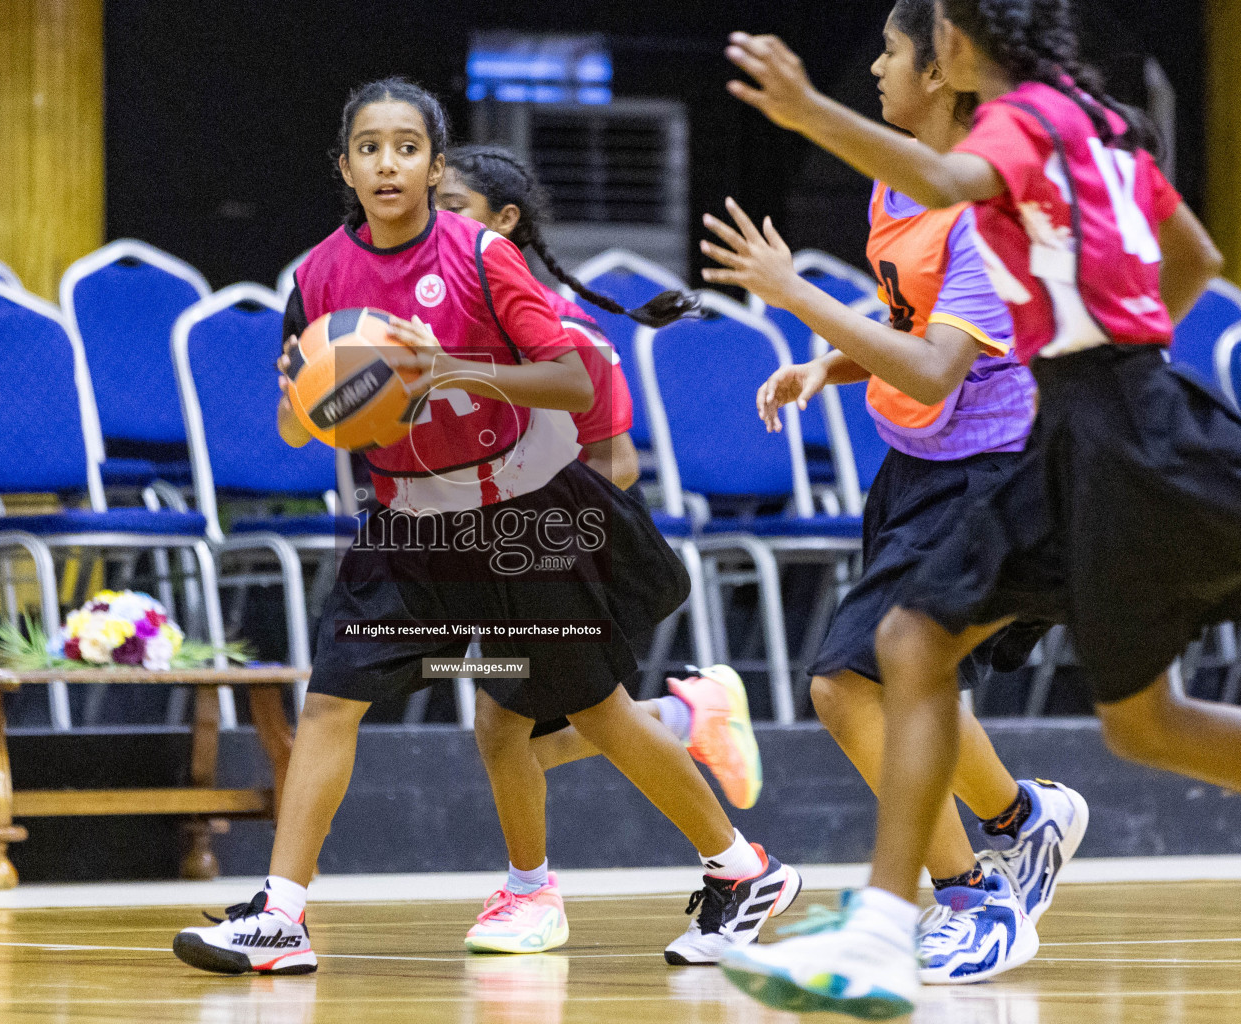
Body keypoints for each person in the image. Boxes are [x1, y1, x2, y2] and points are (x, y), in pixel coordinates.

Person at [172, 78, 798, 976]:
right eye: (369, 148)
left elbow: (574, 386)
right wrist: (305, 401)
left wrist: (449, 372)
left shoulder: (481, 256)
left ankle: (742, 866)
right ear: (344, 166)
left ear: (433, 162)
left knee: (597, 711)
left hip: (520, 515)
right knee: (331, 701)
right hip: (402, 524)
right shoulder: (315, 276)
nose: (388, 163)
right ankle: (282, 913)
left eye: (407, 147)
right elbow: (296, 427)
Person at [714, 0, 1233, 1017]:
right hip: (1095, 420)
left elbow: (947, 181)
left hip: (1123, 437)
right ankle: (891, 924)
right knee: (1125, 719)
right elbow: (1198, 261)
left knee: (906, 656)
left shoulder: (1023, 119)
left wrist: (807, 109)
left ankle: (927, 910)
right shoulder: (1098, 115)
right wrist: (1110, 340)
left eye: (909, 39)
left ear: (953, 45)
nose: (878, 61)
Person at [699, 0, 1086, 985]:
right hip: (917, 470)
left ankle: (974, 897)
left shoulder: (986, 214)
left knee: (848, 681)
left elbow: (932, 367)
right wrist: (824, 365)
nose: (874, 66)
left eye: (888, 49)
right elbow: (901, 311)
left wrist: (792, 296)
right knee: (907, 676)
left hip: (996, 476)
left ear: (946, 66)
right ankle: (1020, 820)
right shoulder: (897, 185)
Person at [437, 144, 772, 963]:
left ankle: (723, 866)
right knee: (505, 721)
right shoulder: (449, 324)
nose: (433, 222)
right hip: (499, 548)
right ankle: (682, 722)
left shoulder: (560, 331)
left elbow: (616, 466)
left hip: (574, 549)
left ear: (503, 222)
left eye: (454, 205)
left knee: (537, 716)